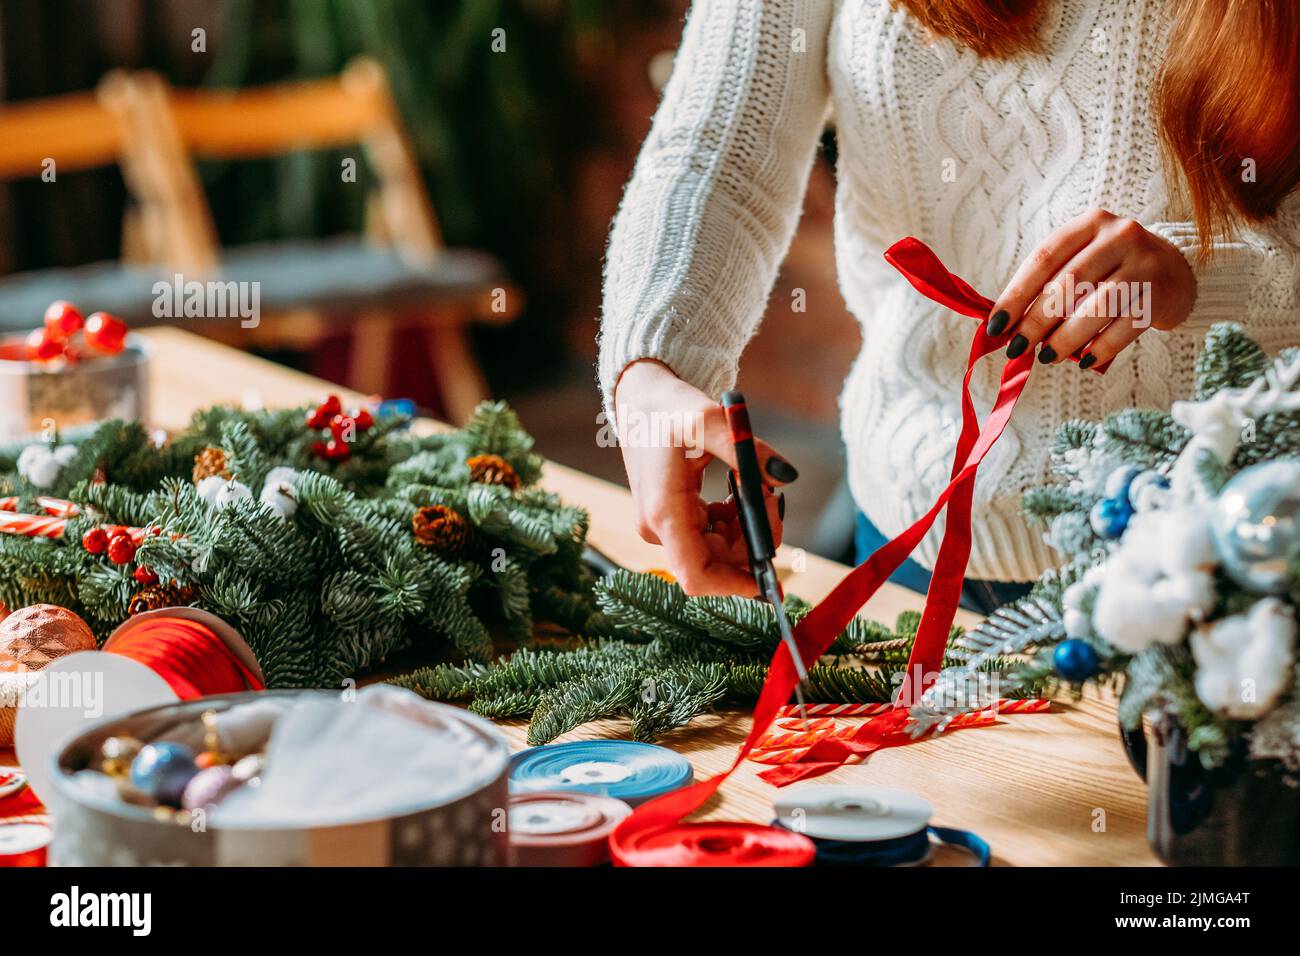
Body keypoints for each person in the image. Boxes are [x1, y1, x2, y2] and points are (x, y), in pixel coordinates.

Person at [599, 0, 1300, 608]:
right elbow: (717, 153)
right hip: (912, 534)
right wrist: (654, 370)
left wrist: (1201, 280)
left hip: (1227, 550)